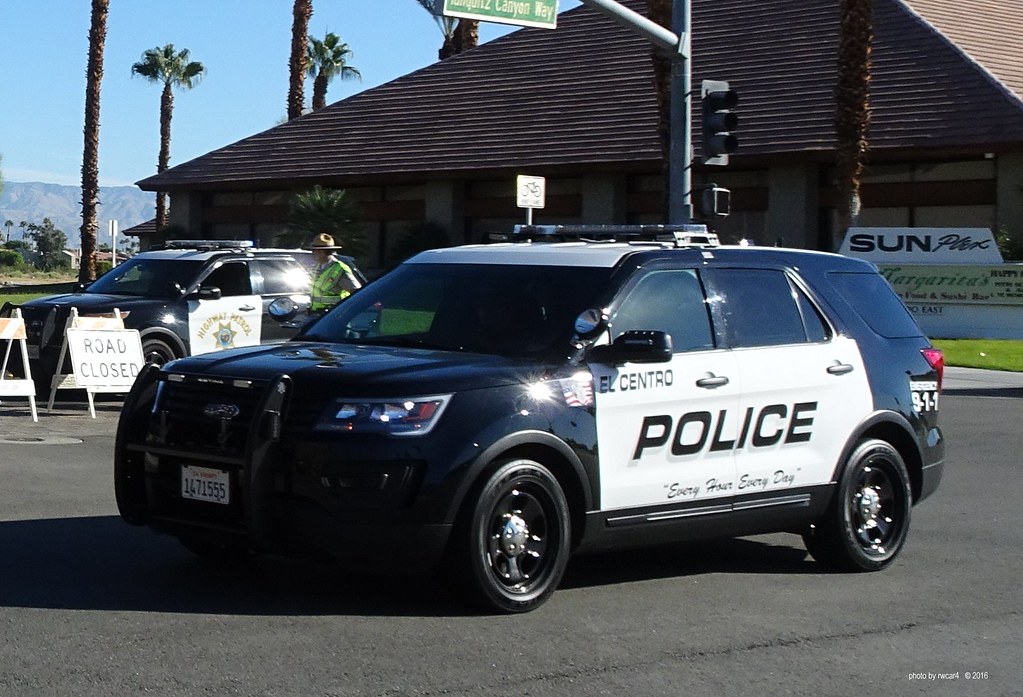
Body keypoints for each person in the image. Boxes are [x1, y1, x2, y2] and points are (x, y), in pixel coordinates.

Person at [307, 233, 362, 314]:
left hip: (334, 316)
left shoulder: (340, 269)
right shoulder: (315, 267)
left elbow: (356, 293)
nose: (313, 253)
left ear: (321, 252)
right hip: (317, 316)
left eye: (314, 250)